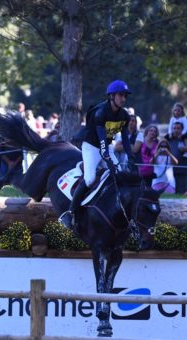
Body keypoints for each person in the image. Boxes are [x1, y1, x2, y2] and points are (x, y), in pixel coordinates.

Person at [58, 80, 134, 231]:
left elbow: (125, 138)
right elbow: (101, 138)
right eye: (121, 95)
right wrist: (106, 157)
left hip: (107, 146)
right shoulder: (100, 112)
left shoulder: (124, 115)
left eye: (125, 96)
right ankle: (70, 213)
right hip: (91, 146)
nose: (124, 99)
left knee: (118, 175)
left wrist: (131, 156)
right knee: (90, 179)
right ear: (111, 96)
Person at [166, 122, 187, 194]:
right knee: (171, 190)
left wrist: (186, 148)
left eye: (178, 128)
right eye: (174, 128)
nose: (176, 130)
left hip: (183, 168)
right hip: (170, 168)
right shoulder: (167, 139)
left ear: (182, 129)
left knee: (183, 191)